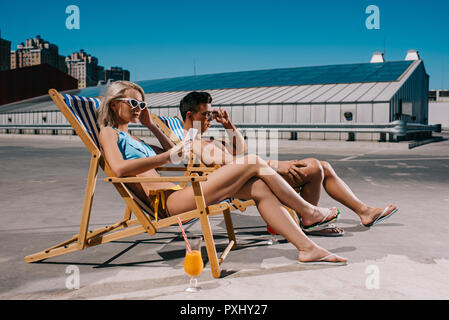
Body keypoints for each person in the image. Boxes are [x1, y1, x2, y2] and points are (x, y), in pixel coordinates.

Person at [97, 80, 347, 265]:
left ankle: (306, 247)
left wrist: (150, 124)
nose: (139, 108)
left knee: (258, 187)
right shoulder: (109, 133)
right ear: (114, 103)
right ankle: (309, 211)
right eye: (133, 103)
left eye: (141, 103)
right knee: (251, 161)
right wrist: (165, 156)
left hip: (177, 193)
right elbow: (119, 168)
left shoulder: (132, 137)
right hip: (166, 203)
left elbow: (174, 153)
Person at [179, 91, 399, 232]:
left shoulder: (206, 139)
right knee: (313, 167)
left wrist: (228, 125)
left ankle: (361, 211)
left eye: (210, 115)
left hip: (254, 174)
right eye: (206, 115)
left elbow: (241, 151)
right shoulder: (194, 142)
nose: (210, 119)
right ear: (190, 116)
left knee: (323, 166)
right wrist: (276, 164)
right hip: (245, 184)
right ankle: (311, 221)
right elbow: (230, 161)